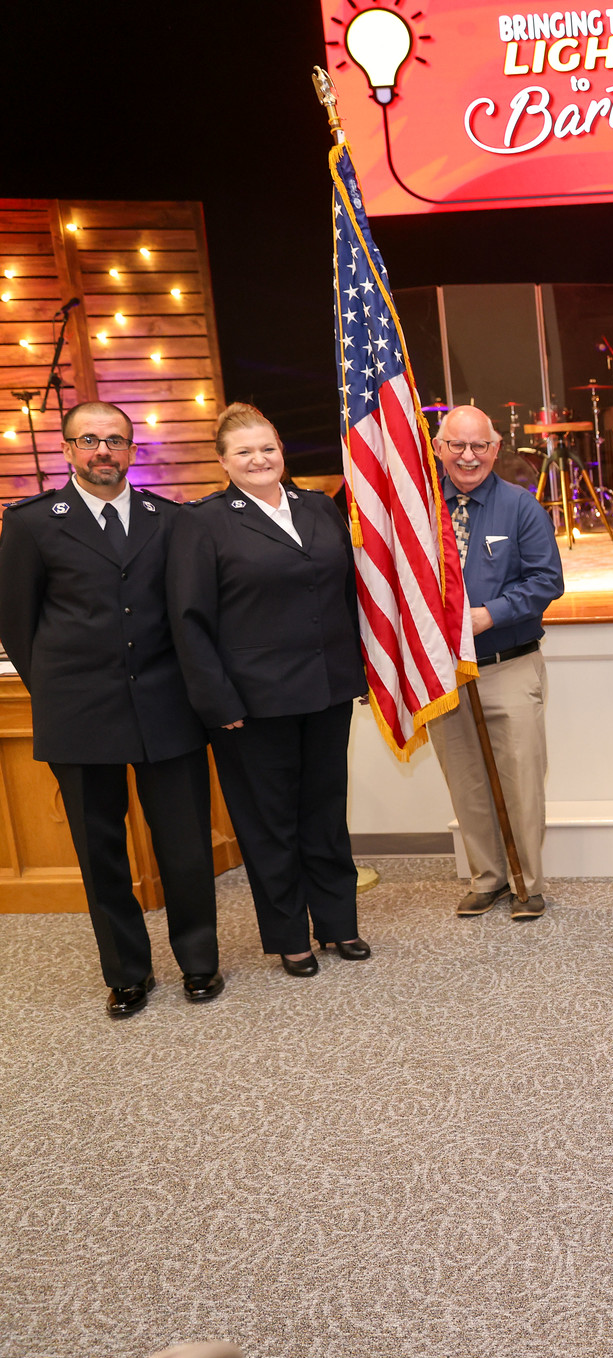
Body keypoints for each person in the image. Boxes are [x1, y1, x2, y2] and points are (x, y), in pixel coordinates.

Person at [0, 401, 221, 1017]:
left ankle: (198, 961)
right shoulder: (32, 523)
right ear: (68, 449)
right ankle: (126, 972)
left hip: (167, 706)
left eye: (115, 440)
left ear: (131, 450)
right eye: (90, 440)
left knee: (185, 844)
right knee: (100, 851)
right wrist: (59, 690)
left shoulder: (169, 519)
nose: (103, 450)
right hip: (80, 712)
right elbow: (17, 624)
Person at [167, 403, 368, 976]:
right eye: (245, 452)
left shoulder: (317, 507)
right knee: (270, 822)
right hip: (252, 705)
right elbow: (189, 620)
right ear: (223, 461)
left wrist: (359, 671)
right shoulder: (202, 522)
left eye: (268, 448)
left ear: (282, 451)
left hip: (326, 690)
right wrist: (216, 701)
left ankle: (338, 923)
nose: (259, 459)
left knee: (325, 814)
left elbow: (345, 595)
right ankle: (289, 936)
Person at [425, 405, 564, 921]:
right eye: (457, 445)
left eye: (479, 445)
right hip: (444, 673)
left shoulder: (521, 507)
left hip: (508, 664)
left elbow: (547, 581)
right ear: (438, 448)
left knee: (520, 780)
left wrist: (490, 615)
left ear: (496, 447)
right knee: (466, 780)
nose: (468, 456)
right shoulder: (420, 511)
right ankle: (487, 877)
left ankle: (526, 882)